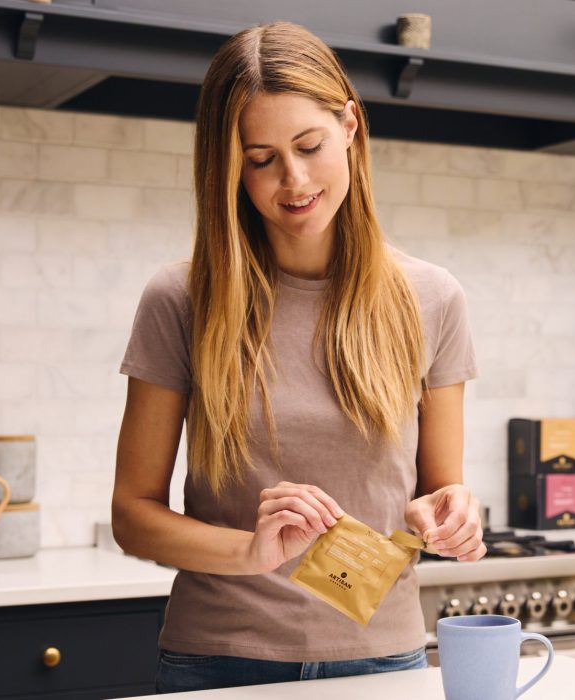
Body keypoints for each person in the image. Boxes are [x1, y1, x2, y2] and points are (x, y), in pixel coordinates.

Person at [111, 21, 484, 693]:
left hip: (383, 659)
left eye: (309, 145)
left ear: (351, 125)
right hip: (218, 661)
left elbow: (437, 490)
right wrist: (249, 552)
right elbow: (132, 516)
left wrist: (448, 514)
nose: (294, 179)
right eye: (261, 159)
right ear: (228, 169)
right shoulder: (181, 299)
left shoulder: (434, 299)